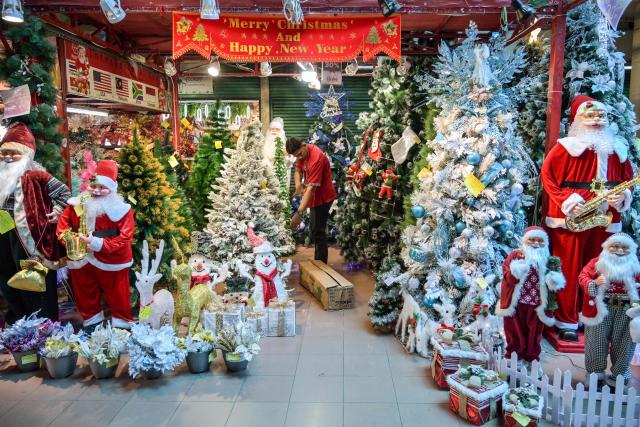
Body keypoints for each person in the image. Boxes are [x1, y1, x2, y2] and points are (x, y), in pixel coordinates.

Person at [540, 95, 634, 341]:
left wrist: (622, 196)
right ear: (578, 119)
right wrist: (567, 200)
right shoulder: (566, 147)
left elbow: (627, 181)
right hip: (574, 217)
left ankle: (590, 316)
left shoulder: (617, 149)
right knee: (570, 268)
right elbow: (548, 178)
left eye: (600, 116)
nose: (596, 121)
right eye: (590, 116)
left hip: (605, 217)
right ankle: (567, 319)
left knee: (600, 268)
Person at [0, 123, 70, 322]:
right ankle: (19, 322)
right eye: (4, 152)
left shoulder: (37, 176)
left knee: (33, 282)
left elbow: (65, 194)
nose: (7, 157)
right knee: (7, 279)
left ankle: (43, 324)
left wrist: (56, 211)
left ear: (26, 154)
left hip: (30, 238)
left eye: (14, 153)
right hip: (3, 234)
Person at [56, 160, 134, 331]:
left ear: (112, 188)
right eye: (94, 186)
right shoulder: (75, 205)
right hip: (80, 257)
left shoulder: (121, 209)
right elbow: (62, 227)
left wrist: (98, 243)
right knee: (84, 291)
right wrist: (72, 241)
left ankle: (121, 323)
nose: (97, 191)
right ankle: (92, 322)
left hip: (111, 258)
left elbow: (125, 236)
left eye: (102, 187)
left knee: (117, 292)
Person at [579, 233, 640, 388]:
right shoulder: (597, 263)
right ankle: (595, 375)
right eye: (615, 246)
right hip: (601, 308)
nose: (619, 250)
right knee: (596, 341)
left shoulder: (635, 266)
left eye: (624, 247)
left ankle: (619, 376)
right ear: (607, 247)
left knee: (625, 344)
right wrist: (593, 282)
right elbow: (583, 276)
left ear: (631, 249)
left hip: (627, 310)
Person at [497, 227, 566, 362]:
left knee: (534, 334)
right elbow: (507, 276)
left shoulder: (549, 261)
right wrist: (516, 271)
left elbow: (557, 287)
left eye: (540, 241)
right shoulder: (515, 256)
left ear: (545, 243)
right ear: (525, 241)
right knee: (514, 331)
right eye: (532, 240)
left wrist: (554, 280)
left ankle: (531, 358)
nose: (535, 243)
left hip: (537, 304)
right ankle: (513, 357)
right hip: (516, 303)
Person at [287, 138, 337, 264]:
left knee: (318, 231)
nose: (298, 157)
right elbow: (298, 170)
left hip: (324, 197)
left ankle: (321, 265)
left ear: (303, 145)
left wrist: (299, 213)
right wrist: (298, 185)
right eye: (296, 156)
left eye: (299, 154)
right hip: (314, 196)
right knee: (315, 230)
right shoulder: (301, 153)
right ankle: (319, 263)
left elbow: (311, 189)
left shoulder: (316, 158)